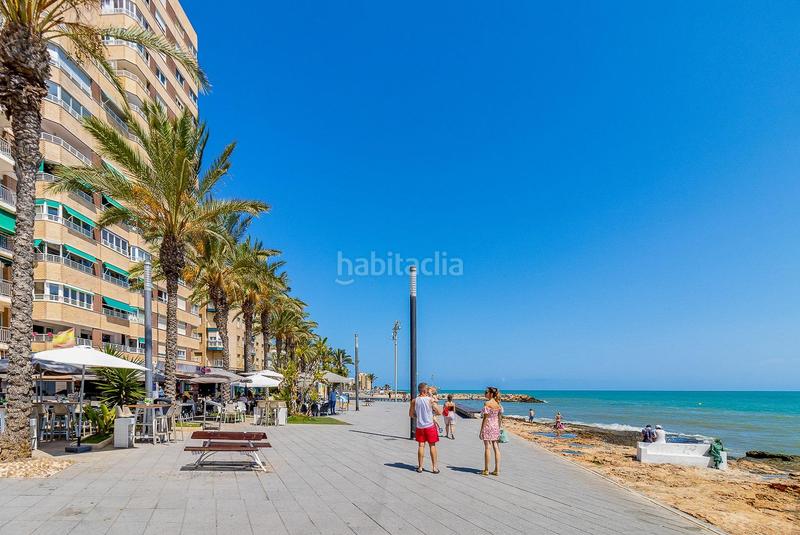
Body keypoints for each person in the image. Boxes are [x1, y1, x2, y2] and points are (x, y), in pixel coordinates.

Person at [409, 382, 442, 473]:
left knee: (421, 445)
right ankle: (434, 468)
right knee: (432, 446)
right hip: (430, 426)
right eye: (427, 389)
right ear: (424, 390)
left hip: (420, 426)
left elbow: (411, 414)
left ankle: (420, 467)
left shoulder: (414, 400)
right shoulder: (430, 400)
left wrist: (418, 417)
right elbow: (439, 412)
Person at [479, 386, 503, 476]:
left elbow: (485, 418)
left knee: (487, 447)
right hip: (496, 426)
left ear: (491, 394)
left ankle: (486, 469)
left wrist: (481, 430)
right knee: (496, 447)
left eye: (486, 392)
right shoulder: (498, 404)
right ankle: (497, 470)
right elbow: (500, 417)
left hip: (488, 426)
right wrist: (499, 427)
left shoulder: (487, 403)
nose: (485, 393)